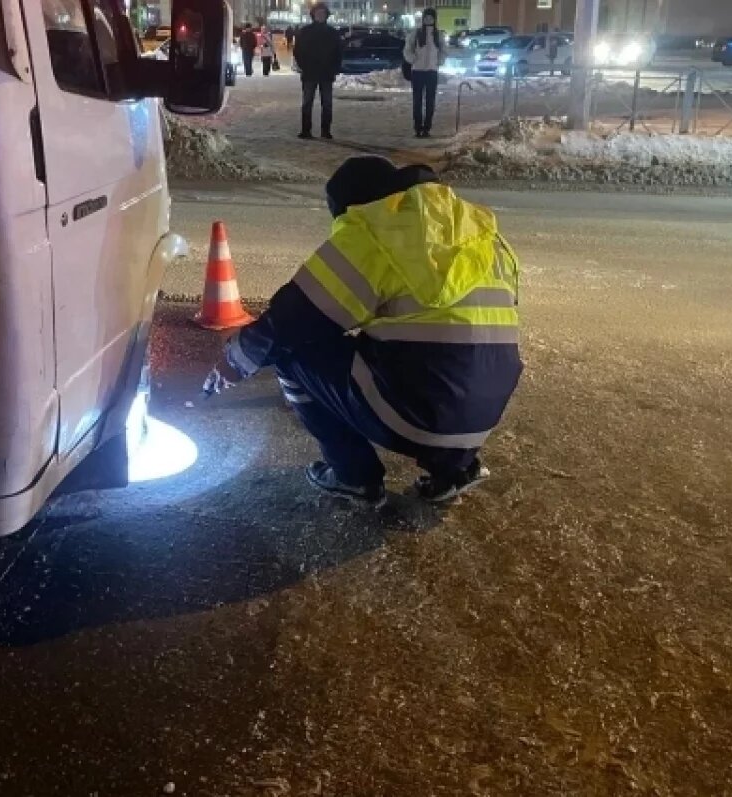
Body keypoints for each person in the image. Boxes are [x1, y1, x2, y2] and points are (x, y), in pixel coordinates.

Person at [219, 156, 522, 507]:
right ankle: (454, 470)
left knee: (293, 351)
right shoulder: (478, 230)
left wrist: (234, 359)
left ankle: (353, 476)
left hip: (417, 417)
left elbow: (292, 320)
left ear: (352, 207)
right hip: (483, 414)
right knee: (440, 354)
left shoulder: (374, 229)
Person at [293, 2, 342, 139]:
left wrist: (335, 68)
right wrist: (303, 65)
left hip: (327, 73)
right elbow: (297, 51)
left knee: (327, 104)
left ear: (326, 16)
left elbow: (339, 52)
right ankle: (306, 130)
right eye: (318, 13)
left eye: (323, 13)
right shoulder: (305, 31)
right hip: (310, 73)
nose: (320, 15)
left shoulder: (332, 33)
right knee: (307, 103)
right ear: (313, 15)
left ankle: (325, 131)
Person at [404, 8, 446, 138]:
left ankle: (427, 128)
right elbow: (407, 50)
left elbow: (444, 50)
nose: (428, 20)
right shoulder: (416, 34)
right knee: (417, 101)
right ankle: (418, 127)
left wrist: (439, 61)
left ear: (435, 19)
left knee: (430, 102)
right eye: (426, 17)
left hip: (431, 73)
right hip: (417, 72)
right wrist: (413, 59)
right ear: (423, 19)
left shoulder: (438, 35)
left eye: (431, 17)